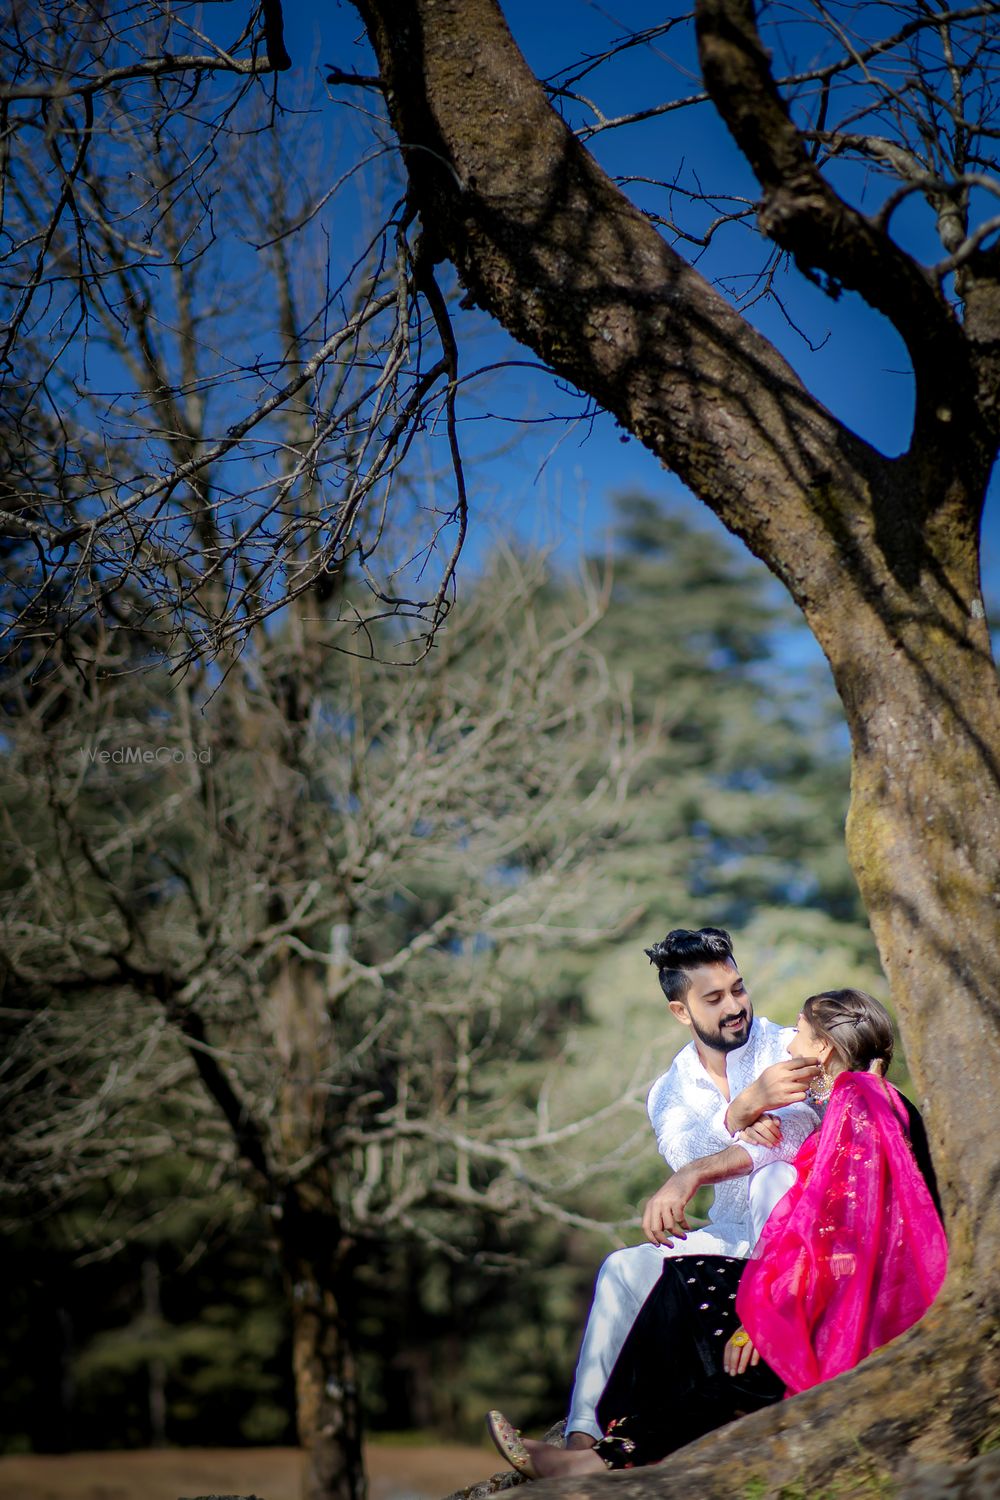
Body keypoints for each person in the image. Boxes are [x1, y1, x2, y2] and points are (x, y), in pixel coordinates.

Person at [487, 989, 947, 1479]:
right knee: (684, 1282)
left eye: (802, 1033)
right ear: (681, 1011)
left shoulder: (859, 1101)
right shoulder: (851, 1098)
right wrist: (738, 1116)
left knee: (699, 1292)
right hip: (813, 1277)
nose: (791, 1045)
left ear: (825, 1050)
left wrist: (773, 1306)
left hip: (842, 1298)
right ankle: (599, 1443)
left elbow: (851, 1228)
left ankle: (600, 1455)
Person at [566, 927, 824, 1446]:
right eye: (714, 998)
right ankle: (580, 1435)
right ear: (681, 1012)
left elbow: (790, 1140)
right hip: (731, 1236)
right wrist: (743, 1109)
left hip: (798, 1236)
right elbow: (682, 1150)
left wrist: (699, 1168)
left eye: (738, 989)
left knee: (774, 1173)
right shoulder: (670, 1089)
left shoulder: (787, 1046)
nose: (735, 1006)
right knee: (622, 1267)